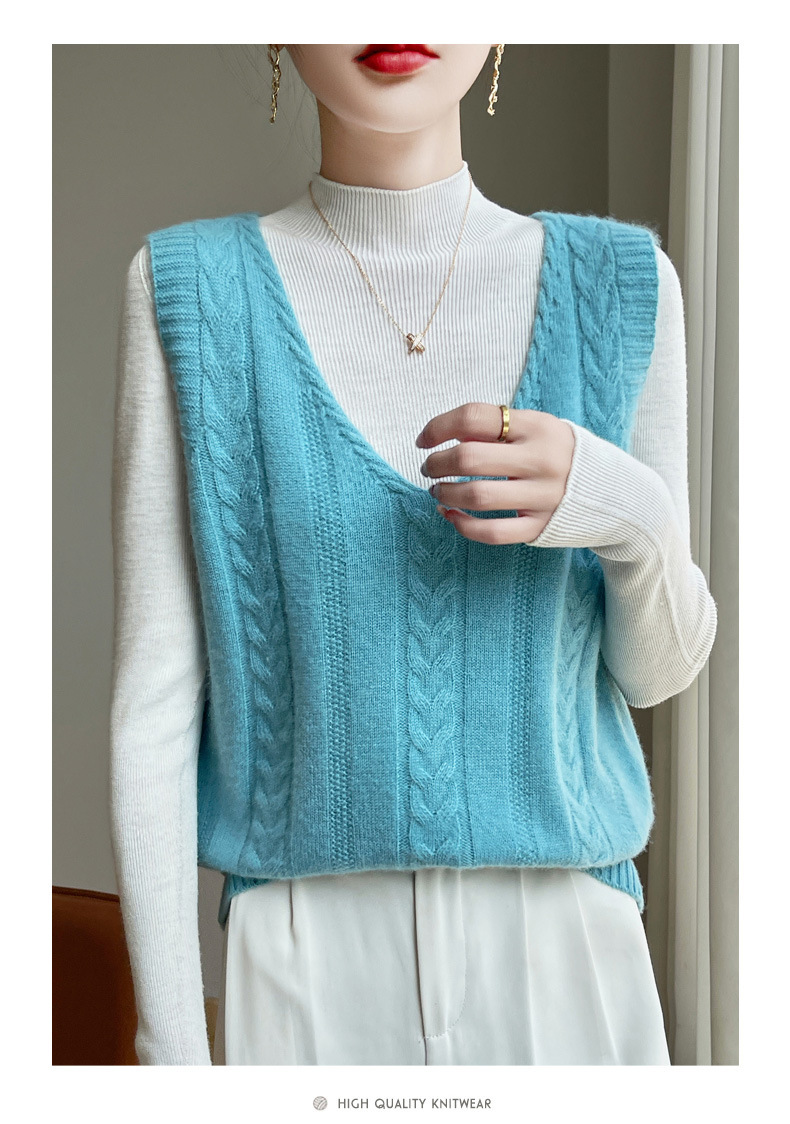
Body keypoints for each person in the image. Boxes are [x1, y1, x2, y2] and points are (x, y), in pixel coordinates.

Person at [110, 44, 718, 1066]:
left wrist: (624, 508)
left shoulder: (621, 283)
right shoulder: (189, 290)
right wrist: (170, 1055)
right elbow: (153, 709)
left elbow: (656, 673)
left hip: (569, 949)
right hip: (300, 956)